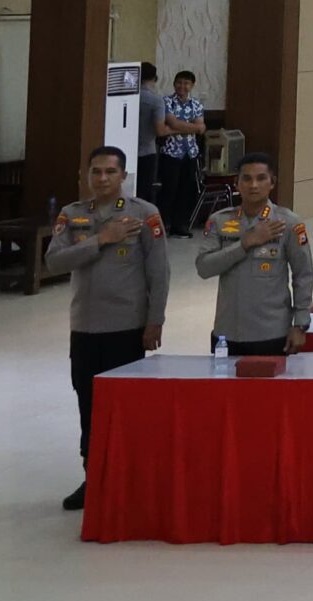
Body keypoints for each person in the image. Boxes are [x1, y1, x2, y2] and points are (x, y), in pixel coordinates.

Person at [48, 146, 169, 510]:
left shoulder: (144, 214)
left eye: (110, 172)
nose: (102, 179)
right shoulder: (72, 215)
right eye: (96, 172)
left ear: (123, 176)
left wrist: (155, 320)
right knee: (88, 405)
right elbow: (54, 262)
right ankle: (93, 477)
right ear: (86, 175)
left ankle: (128, 479)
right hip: (85, 327)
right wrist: (100, 239)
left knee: (126, 408)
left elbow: (159, 272)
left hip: (126, 327)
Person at [192, 152, 311, 354]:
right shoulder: (219, 221)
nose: (253, 185)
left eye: (261, 178)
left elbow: (303, 274)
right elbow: (204, 267)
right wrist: (244, 244)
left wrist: (300, 324)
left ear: (272, 183)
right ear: (236, 183)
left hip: (271, 333)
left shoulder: (288, 223)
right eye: (246, 179)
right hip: (228, 333)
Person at [157, 69, 206, 236]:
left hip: (190, 153)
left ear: (192, 86)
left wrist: (179, 127)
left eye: (186, 83)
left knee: (186, 190)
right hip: (171, 152)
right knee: (169, 190)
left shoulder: (196, 104)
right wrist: (191, 127)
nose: (182, 86)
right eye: (179, 82)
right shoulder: (167, 101)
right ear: (174, 84)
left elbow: (201, 128)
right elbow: (172, 122)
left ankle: (180, 225)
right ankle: (163, 224)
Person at [134, 62, 163, 204]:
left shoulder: (130, 96)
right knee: (144, 192)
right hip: (147, 151)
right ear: (154, 78)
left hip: (126, 151)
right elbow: (160, 130)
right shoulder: (156, 100)